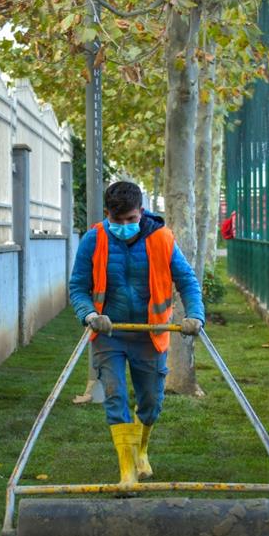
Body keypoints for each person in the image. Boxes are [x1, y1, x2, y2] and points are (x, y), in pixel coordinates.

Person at [68, 181, 205, 487]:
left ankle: (141, 450)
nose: (125, 226)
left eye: (131, 220)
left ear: (141, 212)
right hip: (109, 334)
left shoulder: (162, 238)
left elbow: (187, 280)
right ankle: (127, 471)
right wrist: (90, 314)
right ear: (107, 215)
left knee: (151, 402)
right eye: (118, 221)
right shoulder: (94, 240)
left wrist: (195, 315)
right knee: (115, 397)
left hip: (150, 334)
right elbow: (78, 286)